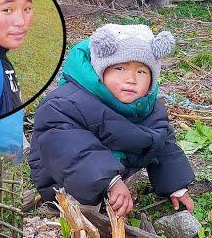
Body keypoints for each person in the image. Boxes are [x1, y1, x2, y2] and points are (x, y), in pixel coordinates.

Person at [28, 24, 195, 218]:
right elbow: (71, 149)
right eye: (119, 68)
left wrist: (176, 186)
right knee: (86, 210)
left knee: (155, 136)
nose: (131, 79)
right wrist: (110, 181)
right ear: (101, 71)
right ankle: (91, 205)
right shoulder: (63, 104)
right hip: (62, 177)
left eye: (141, 72)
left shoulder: (148, 107)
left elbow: (162, 142)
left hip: (109, 168)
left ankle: (110, 188)